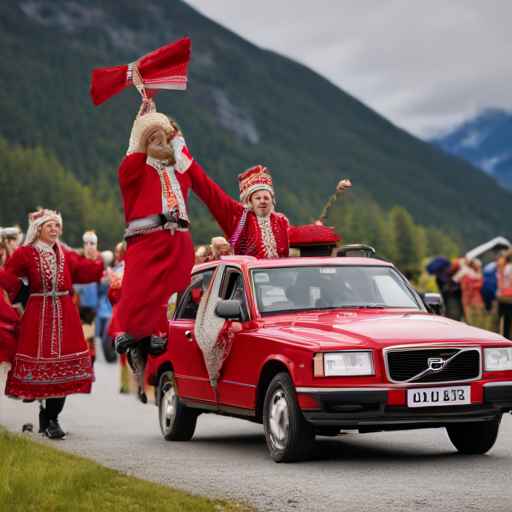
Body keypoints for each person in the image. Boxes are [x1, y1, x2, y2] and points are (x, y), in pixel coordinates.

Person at [0, 210, 103, 439]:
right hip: (38, 316)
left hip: (66, 315)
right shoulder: (25, 253)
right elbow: (8, 278)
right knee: (43, 369)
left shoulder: (65, 254)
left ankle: (52, 419)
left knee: (62, 371)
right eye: (50, 226)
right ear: (38, 229)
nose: (55, 229)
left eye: (57, 225)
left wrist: (100, 262)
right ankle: (46, 415)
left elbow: (84, 271)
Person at [497, 249, 512, 339]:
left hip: (501, 296)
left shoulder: (502, 268)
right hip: (510, 298)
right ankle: (506, 338)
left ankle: (502, 338)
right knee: (508, 320)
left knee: (502, 319)